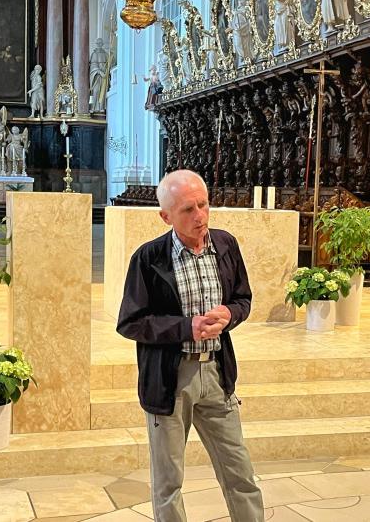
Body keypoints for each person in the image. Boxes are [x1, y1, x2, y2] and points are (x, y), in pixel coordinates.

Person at [117, 170, 264, 522]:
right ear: (165, 216)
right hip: (170, 380)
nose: (200, 215)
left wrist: (231, 313)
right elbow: (131, 322)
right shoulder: (149, 258)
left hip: (216, 374)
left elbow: (243, 298)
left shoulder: (225, 245)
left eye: (203, 205)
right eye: (187, 209)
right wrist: (186, 327)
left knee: (240, 473)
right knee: (169, 484)